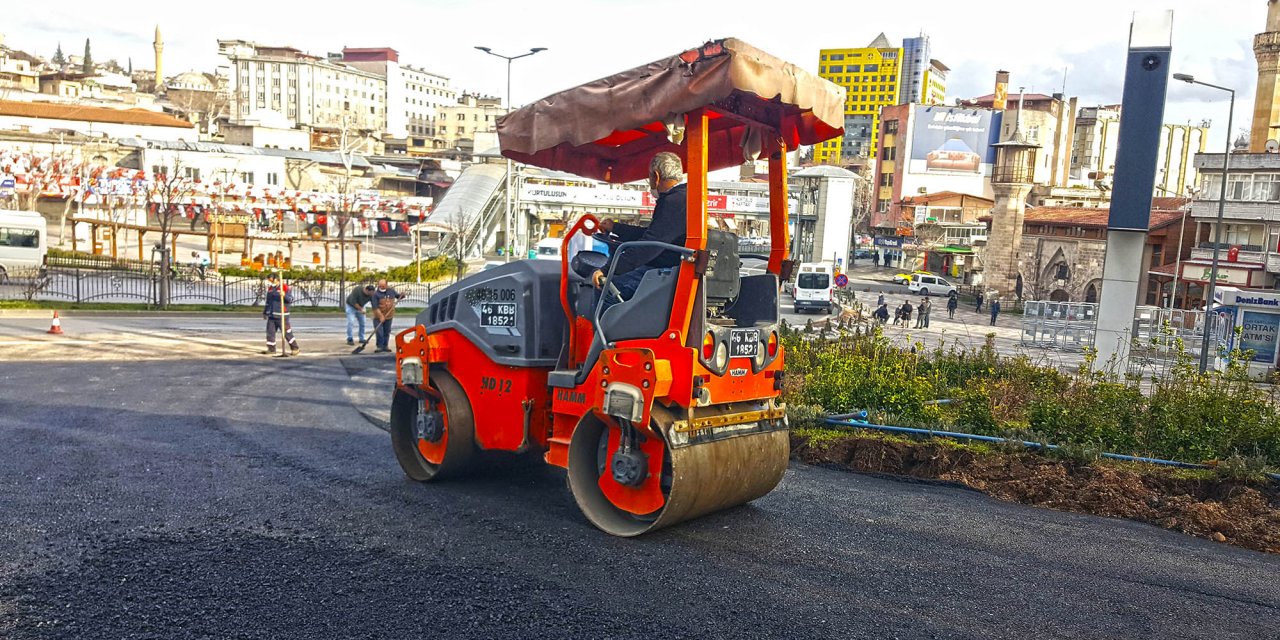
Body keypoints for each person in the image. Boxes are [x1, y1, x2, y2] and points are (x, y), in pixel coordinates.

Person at [592, 152, 688, 304]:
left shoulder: (673, 202)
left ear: (655, 176)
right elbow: (652, 235)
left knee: (606, 288)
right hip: (672, 269)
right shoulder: (683, 197)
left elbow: (649, 246)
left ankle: (601, 328)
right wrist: (616, 228)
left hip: (665, 271)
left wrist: (607, 270)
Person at [262, 273, 300, 356]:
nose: (270, 282)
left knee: (287, 333)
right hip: (272, 315)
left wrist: (284, 295)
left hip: (282, 315)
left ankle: (295, 348)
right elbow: (268, 302)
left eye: (271, 280)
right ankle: (271, 349)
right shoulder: (271, 288)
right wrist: (265, 312)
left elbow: (290, 299)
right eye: (269, 280)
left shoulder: (284, 287)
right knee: (270, 333)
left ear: (276, 279)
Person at [371, 279, 406, 353]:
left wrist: (402, 295)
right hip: (378, 316)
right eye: (380, 286)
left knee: (387, 331)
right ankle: (379, 347)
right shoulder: (375, 294)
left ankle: (385, 346)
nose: (381, 287)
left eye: (383, 286)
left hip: (389, 315)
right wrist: (381, 316)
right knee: (379, 332)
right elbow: (375, 307)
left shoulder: (391, 291)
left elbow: (398, 296)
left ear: (386, 285)